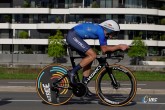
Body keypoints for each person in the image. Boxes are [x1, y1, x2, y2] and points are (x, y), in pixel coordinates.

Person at [66, 20, 129, 97]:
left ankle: (84, 86)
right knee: (93, 55)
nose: (113, 36)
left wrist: (118, 50)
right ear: (109, 29)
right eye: (114, 33)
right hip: (73, 35)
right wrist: (119, 46)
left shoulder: (103, 33)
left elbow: (105, 50)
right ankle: (72, 72)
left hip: (75, 36)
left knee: (89, 59)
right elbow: (104, 49)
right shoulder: (101, 32)